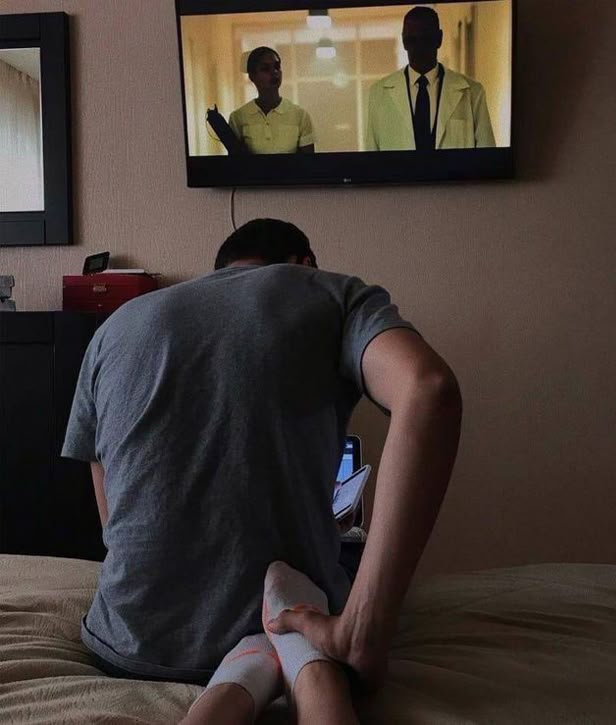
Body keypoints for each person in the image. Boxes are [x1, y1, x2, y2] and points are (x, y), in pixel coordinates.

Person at [62, 218, 462, 724]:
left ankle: (252, 670)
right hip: (284, 611)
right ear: (306, 263)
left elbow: (112, 521)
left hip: (125, 644)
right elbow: (428, 390)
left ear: (219, 272)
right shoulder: (331, 292)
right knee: (343, 563)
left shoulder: (117, 324)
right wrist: (365, 626)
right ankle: (295, 649)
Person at [365, 6, 495, 151]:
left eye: (425, 39)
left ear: (439, 39)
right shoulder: (378, 95)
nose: (418, 47)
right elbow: (371, 162)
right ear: (403, 42)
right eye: (411, 40)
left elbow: (487, 160)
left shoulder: (473, 93)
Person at [228, 47, 315, 154]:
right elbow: (235, 165)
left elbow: (309, 164)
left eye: (277, 66)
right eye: (265, 68)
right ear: (252, 76)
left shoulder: (300, 116)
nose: (274, 72)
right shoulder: (238, 117)